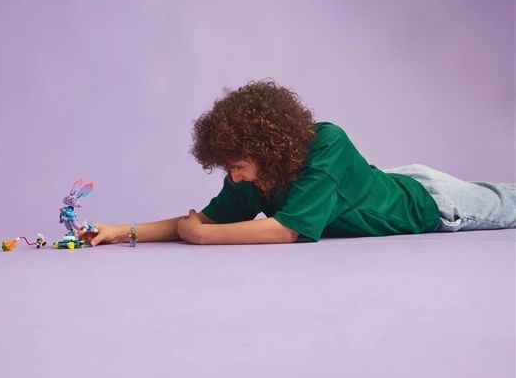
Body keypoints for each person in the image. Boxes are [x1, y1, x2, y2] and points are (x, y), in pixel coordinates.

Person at [84, 80, 516, 246]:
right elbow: (203, 219)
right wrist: (120, 231)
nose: (233, 176)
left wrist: (200, 237)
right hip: (380, 183)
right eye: (229, 168)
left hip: (430, 202)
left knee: (508, 201)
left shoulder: (328, 143)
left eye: (238, 165)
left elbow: (286, 230)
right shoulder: (252, 175)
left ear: (266, 149)